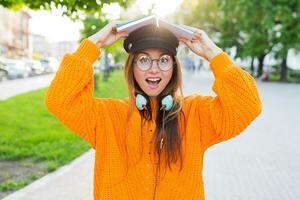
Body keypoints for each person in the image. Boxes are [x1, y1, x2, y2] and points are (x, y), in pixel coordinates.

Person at [45, 21, 262, 200]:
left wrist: (213, 54)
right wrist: (95, 44)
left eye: (164, 60)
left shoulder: (194, 113)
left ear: (174, 68)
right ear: (132, 67)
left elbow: (248, 105)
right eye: (144, 60)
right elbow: (59, 99)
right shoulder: (107, 116)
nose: (154, 68)